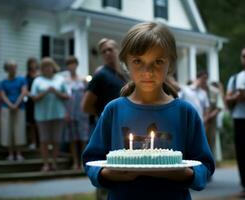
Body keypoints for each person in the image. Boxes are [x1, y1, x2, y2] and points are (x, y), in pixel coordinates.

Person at [82, 22, 215, 200]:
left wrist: (187, 174)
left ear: (171, 64)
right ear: (126, 64)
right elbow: (91, 160)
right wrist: (105, 174)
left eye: (158, 61)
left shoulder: (185, 113)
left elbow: (205, 165)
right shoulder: (113, 110)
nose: (148, 71)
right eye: (138, 61)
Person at [81, 38, 128, 200]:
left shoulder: (123, 76)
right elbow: (85, 105)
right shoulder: (101, 75)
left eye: (110, 49)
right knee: (105, 168)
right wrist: (103, 116)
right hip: (105, 129)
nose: (107, 53)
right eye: (103, 51)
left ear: (117, 51)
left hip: (123, 130)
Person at [225, 47, 245, 198]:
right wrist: (238, 97)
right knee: (243, 155)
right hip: (240, 120)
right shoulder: (235, 78)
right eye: (244, 56)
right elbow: (227, 98)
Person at [31, 57, 69, 172]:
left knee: (56, 140)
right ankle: (46, 164)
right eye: (44, 66)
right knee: (44, 140)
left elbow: (67, 96)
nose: (47, 68)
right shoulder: (37, 80)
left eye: (49, 66)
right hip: (42, 116)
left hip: (58, 115)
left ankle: (54, 163)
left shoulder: (60, 79)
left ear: (53, 67)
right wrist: (46, 92)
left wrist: (56, 92)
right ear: (42, 69)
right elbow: (33, 97)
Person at [63, 56, 89, 170]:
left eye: (73, 63)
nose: (71, 66)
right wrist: (65, 112)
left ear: (76, 65)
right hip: (70, 112)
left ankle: (83, 162)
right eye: (69, 64)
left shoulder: (83, 79)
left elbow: (87, 96)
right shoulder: (64, 81)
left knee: (83, 137)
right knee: (73, 138)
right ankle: (75, 162)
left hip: (82, 112)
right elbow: (63, 99)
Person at [0, 60, 27, 161]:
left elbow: (24, 92)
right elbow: (2, 95)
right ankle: (10, 153)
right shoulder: (3, 82)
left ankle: (19, 153)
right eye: (11, 67)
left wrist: (16, 104)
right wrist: (10, 105)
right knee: (8, 130)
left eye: (15, 67)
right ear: (7, 69)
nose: (13, 69)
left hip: (20, 108)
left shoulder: (21, 80)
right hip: (6, 108)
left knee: (19, 130)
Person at [24, 57, 39, 150]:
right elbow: (25, 90)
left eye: (34, 63)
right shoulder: (26, 76)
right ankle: (33, 142)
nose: (32, 65)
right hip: (30, 101)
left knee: (39, 123)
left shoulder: (39, 75)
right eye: (31, 63)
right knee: (32, 123)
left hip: (39, 101)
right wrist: (31, 95)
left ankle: (40, 142)